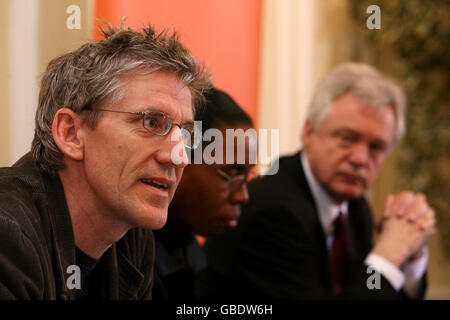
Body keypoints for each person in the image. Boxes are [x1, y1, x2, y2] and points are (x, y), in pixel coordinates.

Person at [0, 23, 210, 299]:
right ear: (71, 133)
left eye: (185, 134)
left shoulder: (131, 237)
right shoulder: (8, 231)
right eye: (150, 122)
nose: (179, 156)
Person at [197, 63, 436, 299]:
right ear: (309, 132)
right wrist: (390, 253)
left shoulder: (355, 209)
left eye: (376, 147)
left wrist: (409, 254)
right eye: (346, 138)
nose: (360, 159)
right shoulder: (272, 210)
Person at [153, 88, 255, 300]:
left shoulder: (187, 245)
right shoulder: (125, 251)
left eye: (247, 176)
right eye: (232, 174)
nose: (242, 196)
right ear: (181, 159)